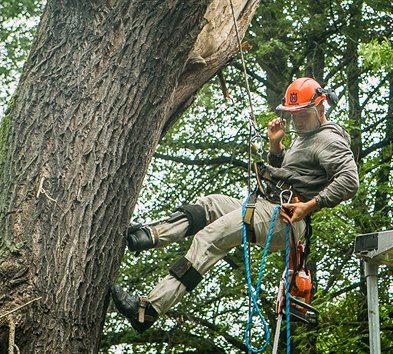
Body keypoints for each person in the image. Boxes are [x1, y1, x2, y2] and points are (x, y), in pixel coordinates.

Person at [110, 77, 360, 333]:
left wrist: (310, 206)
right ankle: (147, 236)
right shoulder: (305, 136)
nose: (296, 120)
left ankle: (148, 310)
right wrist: (276, 147)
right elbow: (294, 174)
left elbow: (350, 181)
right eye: (292, 114)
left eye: (302, 114)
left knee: (209, 239)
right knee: (210, 205)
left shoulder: (329, 139)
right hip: (268, 206)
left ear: (320, 108)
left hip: (286, 218)